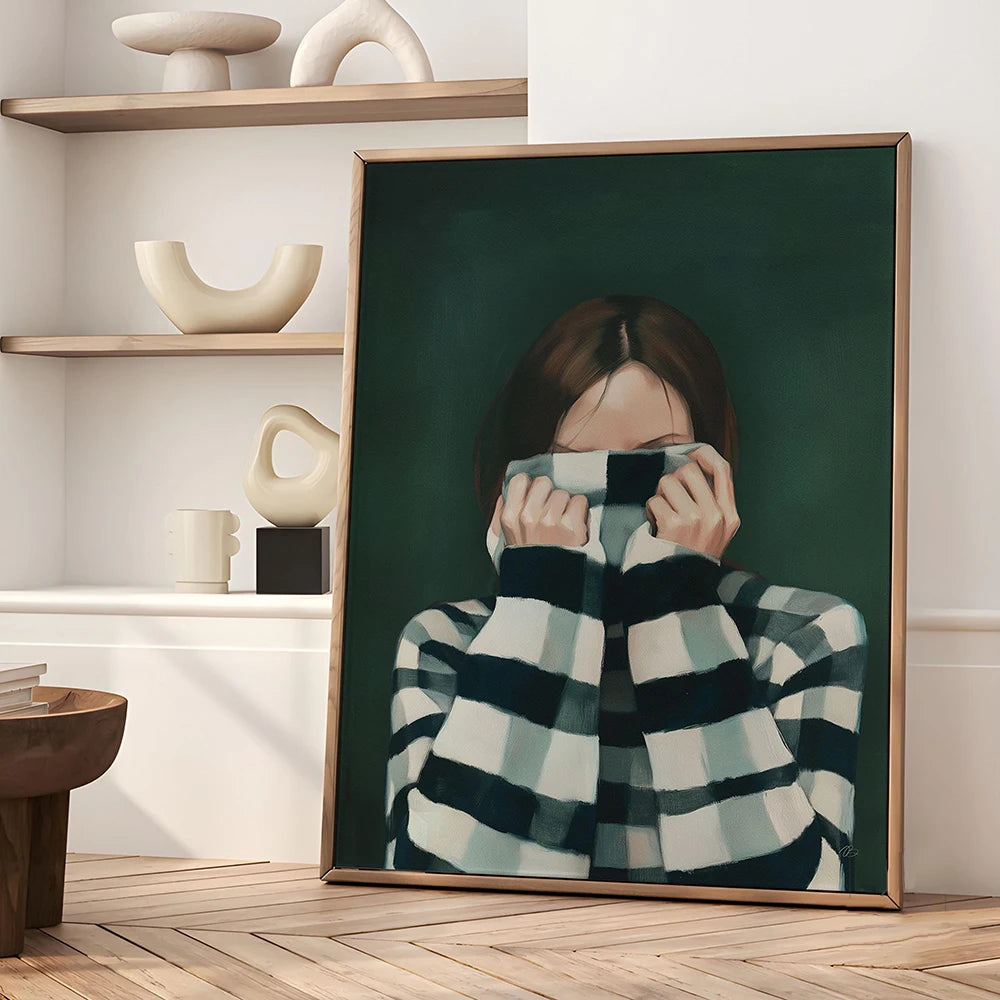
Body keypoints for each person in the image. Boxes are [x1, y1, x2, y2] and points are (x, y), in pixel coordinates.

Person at [384, 295, 867, 891]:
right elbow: (430, 894)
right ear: (518, 484)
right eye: (572, 464)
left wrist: (676, 600)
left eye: (653, 460)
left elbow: (799, 903)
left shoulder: (804, 637)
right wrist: (541, 604)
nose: (612, 489)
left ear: (715, 470)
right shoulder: (443, 644)